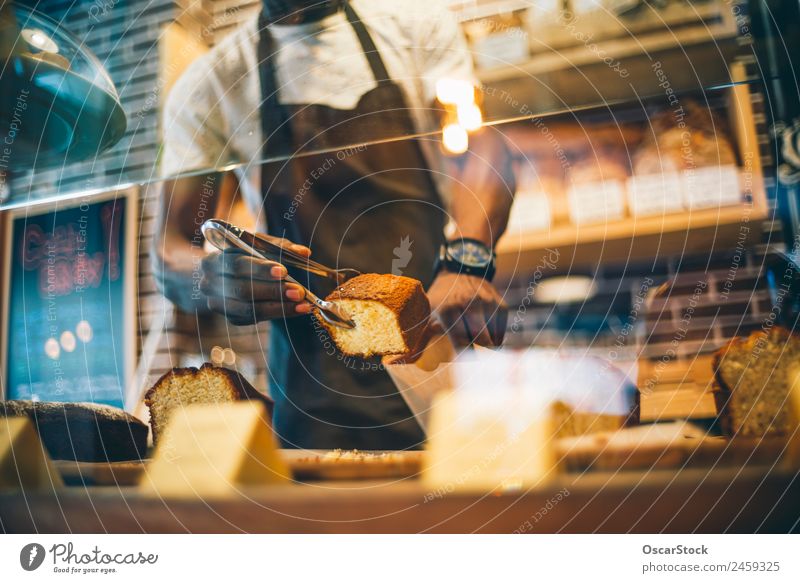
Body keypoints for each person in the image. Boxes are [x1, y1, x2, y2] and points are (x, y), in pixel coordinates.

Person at [153, 0, 516, 450]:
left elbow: (481, 153)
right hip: (312, 399)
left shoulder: (416, 28)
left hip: (437, 368)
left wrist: (465, 261)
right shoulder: (214, 82)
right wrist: (208, 277)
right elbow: (168, 251)